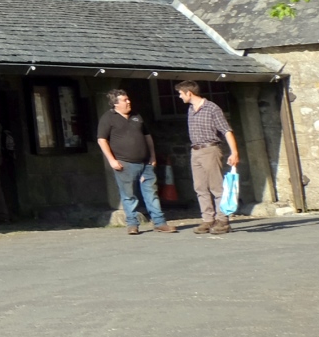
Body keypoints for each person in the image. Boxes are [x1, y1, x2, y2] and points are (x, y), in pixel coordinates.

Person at [95, 89, 173, 235]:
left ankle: (160, 223)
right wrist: (111, 160)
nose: (129, 102)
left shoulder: (137, 116)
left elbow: (147, 136)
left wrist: (153, 156)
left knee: (151, 193)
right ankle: (132, 224)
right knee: (128, 195)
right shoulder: (108, 118)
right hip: (124, 163)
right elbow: (101, 140)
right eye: (125, 100)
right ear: (115, 104)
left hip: (146, 163)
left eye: (128, 99)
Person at [176, 81, 241, 235]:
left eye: (180, 93)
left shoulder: (212, 108)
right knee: (200, 187)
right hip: (195, 150)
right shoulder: (191, 109)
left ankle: (223, 220)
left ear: (189, 93)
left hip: (210, 149)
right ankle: (208, 219)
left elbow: (226, 130)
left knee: (216, 187)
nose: (179, 96)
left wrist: (234, 152)